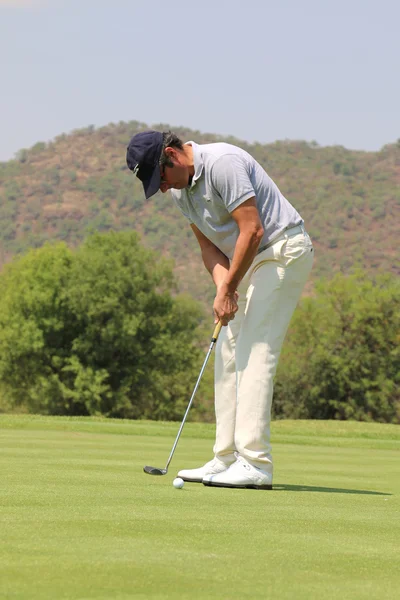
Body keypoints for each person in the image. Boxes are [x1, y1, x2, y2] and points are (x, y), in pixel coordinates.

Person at [126, 130, 314, 490]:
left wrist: (230, 287)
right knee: (227, 352)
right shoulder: (181, 192)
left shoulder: (222, 163)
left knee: (254, 351)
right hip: (248, 262)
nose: (162, 189)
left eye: (160, 178)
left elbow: (253, 229)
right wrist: (221, 289)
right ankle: (226, 457)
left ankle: (255, 463)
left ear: (172, 154)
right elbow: (210, 248)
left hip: (282, 251)